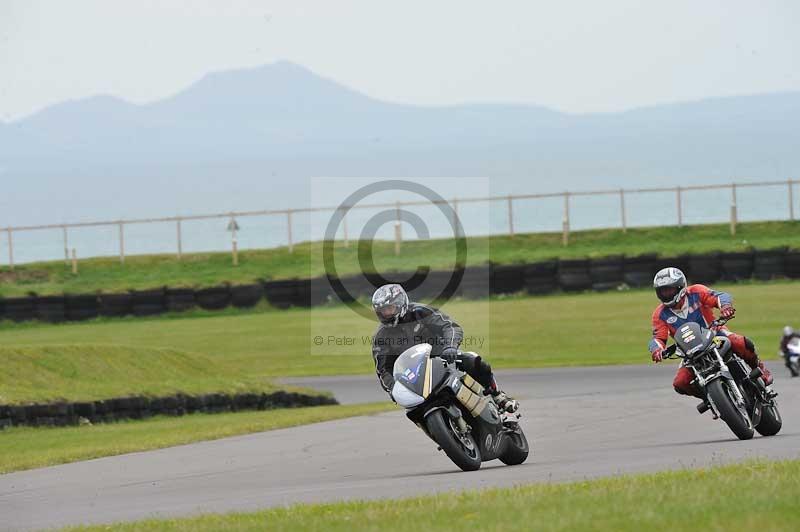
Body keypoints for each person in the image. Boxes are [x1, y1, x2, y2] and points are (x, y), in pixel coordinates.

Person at [370, 283, 518, 413]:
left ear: (400, 303)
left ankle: (497, 395)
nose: (386, 314)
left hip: (442, 357)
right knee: (412, 408)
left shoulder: (421, 312)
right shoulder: (381, 336)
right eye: (382, 310)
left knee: (473, 360)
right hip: (414, 373)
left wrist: (450, 347)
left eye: (389, 308)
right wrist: (394, 389)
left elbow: (449, 326)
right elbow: (383, 369)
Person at [648, 267, 773, 400]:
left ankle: (760, 369)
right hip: (690, 352)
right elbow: (658, 338)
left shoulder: (696, 291)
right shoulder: (659, 314)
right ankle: (712, 399)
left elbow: (719, 296)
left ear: (680, 286)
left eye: (669, 290)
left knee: (740, 342)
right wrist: (657, 349)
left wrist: (725, 307)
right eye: (662, 291)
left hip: (715, 334)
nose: (665, 294)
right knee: (680, 383)